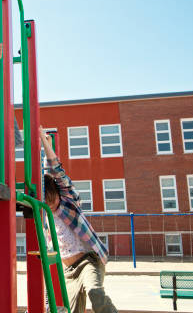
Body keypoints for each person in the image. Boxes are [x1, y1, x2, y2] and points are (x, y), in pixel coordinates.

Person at [40, 127, 118, 313]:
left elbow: (55, 171)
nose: (52, 207)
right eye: (47, 205)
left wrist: (45, 145)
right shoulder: (43, 211)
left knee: (95, 292)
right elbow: (43, 176)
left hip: (87, 261)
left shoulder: (68, 200)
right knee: (73, 310)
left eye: (53, 202)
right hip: (67, 271)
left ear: (59, 194)